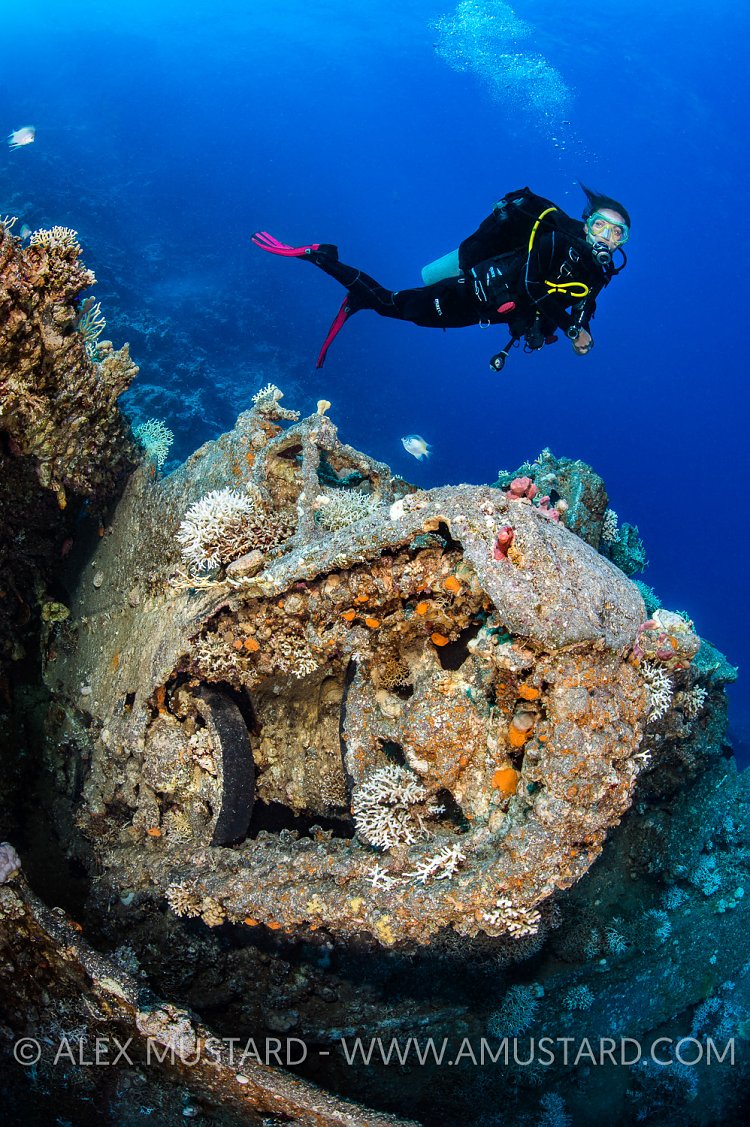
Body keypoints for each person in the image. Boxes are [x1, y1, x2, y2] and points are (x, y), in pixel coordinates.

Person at [251, 184, 630, 371]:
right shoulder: (553, 240)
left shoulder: (601, 270)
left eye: (618, 234)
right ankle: (323, 258)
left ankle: (355, 296)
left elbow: (584, 302)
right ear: (586, 224)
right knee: (390, 303)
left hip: (483, 312)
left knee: (396, 306)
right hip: (472, 292)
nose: (608, 239)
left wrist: (582, 331)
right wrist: (568, 329)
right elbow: (531, 286)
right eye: (601, 226)